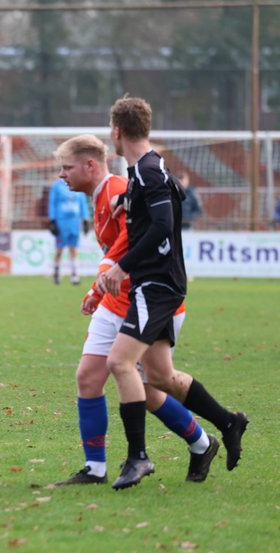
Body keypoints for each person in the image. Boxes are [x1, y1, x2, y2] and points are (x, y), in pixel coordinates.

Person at [98, 96, 248, 490]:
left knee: (119, 363)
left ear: (117, 130)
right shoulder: (150, 169)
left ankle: (138, 457)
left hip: (156, 283)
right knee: (161, 376)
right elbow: (172, 198)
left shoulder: (148, 170)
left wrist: (122, 266)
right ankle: (228, 423)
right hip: (160, 283)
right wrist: (127, 200)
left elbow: (163, 224)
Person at [53, 134, 218, 487]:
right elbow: (117, 248)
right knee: (89, 378)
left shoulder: (117, 189)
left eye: (66, 168)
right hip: (115, 301)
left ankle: (201, 441)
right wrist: (98, 288)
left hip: (142, 301)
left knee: (151, 390)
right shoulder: (99, 196)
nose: (61, 175)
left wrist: (101, 281)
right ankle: (95, 468)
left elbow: (137, 237)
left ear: (90, 165)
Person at [48, 177, 90, 285]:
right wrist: (52, 220)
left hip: (74, 222)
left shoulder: (78, 184)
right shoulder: (57, 186)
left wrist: (85, 219)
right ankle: (56, 273)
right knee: (59, 250)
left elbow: (82, 203)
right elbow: (52, 203)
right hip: (61, 222)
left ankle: (75, 275)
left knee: (74, 249)